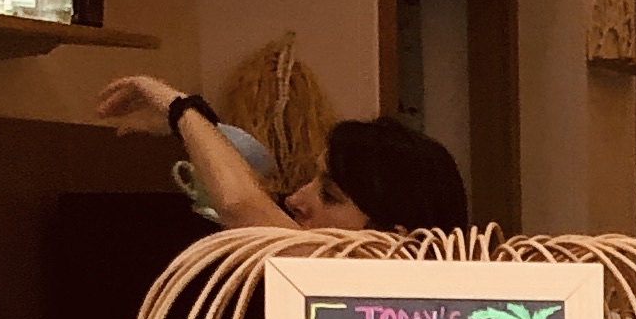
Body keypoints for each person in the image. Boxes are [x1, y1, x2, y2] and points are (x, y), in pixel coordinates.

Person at [94, 72, 472, 233]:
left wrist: (177, 106)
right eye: (312, 180)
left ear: (395, 237)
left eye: (329, 195)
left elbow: (239, 203)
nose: (294, 200)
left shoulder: (367, 279)